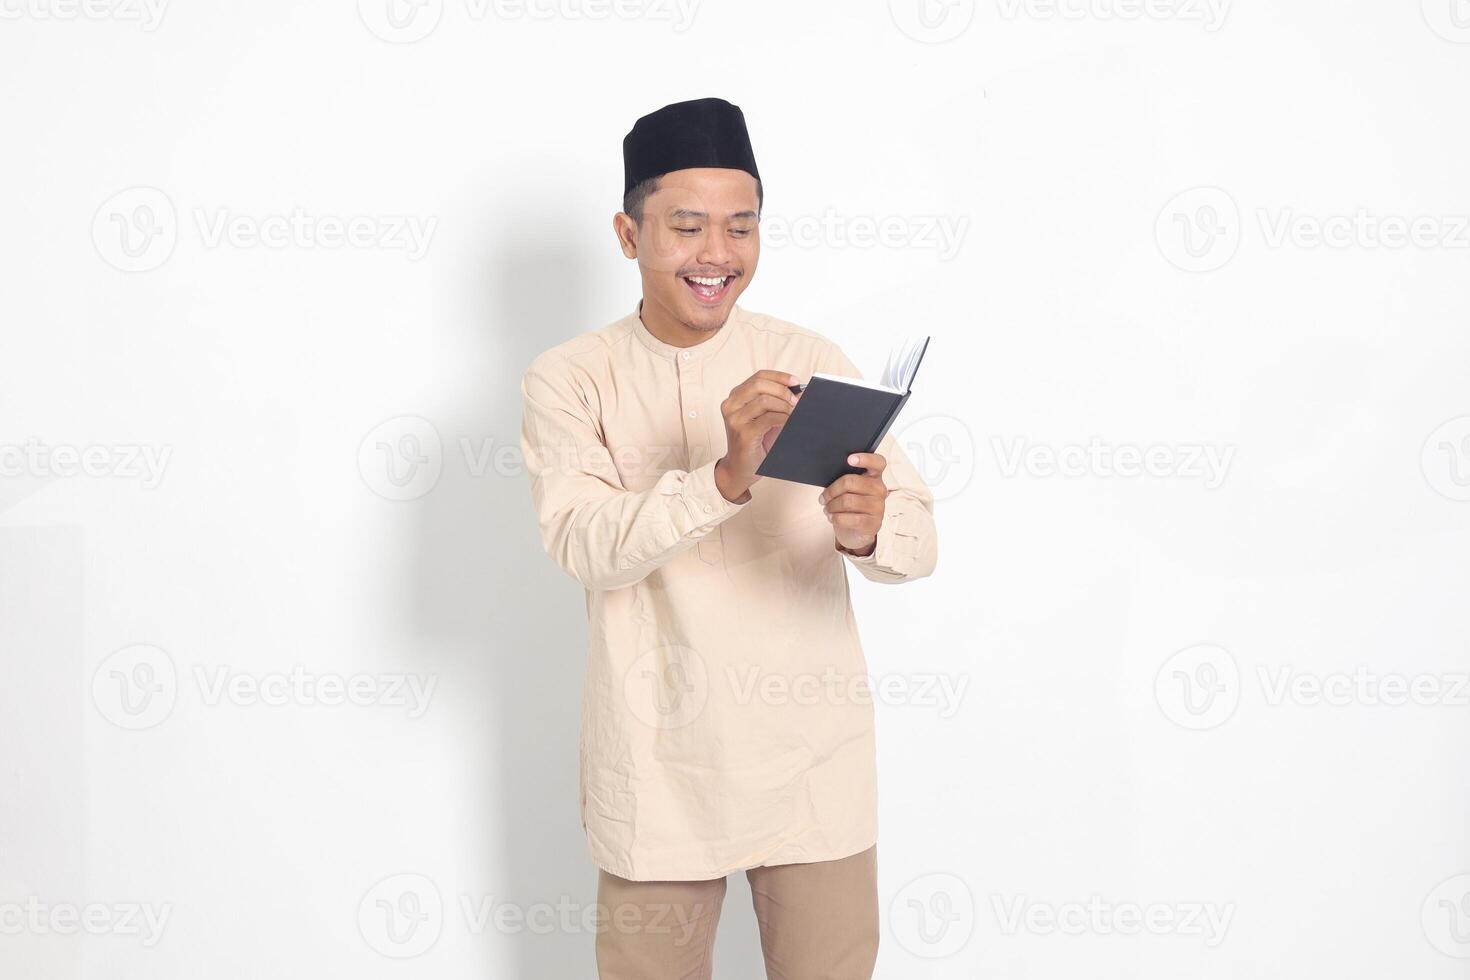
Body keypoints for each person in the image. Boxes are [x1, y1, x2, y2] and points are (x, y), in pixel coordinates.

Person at [518, 96, 939, 980]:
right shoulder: (571, 379)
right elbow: (584, 544)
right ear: (629, 236)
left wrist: (870, 532)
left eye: (741, 227)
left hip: (810, 767)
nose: (718, 254)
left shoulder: (805, 358)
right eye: (687, 226)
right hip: (658, 768)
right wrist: (721, 477)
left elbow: (917, 530)